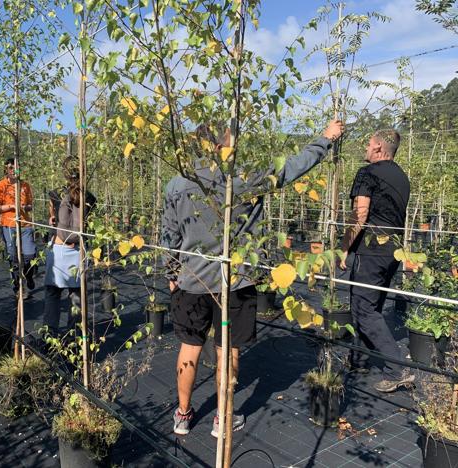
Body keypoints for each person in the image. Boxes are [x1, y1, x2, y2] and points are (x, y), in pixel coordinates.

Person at [162, 120, 344, 437]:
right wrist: (324, 140)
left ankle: (182, 415)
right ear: (222, 144)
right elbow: (291, 169)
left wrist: (171, 272)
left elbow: (169, 235)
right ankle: (222, 419)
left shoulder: (177, 184)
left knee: (189, 346)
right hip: (235, 280)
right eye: (232, 141)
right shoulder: (244, 178)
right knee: (227, 349)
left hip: (192, 280)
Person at [339, 129, 413, 393]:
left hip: (370, 250)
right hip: (392, 251)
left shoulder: (367, 173)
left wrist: (344, 247)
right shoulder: (402, 177)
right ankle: (359, 358)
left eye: (369, 144)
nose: (366, 148)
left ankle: (397, 369)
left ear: (380, 148)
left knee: (363, 309)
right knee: (370, 305)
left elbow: (360, 215)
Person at [43, 158, 96, 336]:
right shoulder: (90, 198)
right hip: (77, 251)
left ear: (64, 174)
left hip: (58, 250)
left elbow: (53, 221)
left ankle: (50, 336)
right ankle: (73, 338)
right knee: (76, 296)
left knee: (52, 294)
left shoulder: (55, 194)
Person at [0, 158, 36, 298]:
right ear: (6, 169)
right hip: (8, 226)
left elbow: (30, 205)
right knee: (13, 258)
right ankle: (18, 287)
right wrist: (12, 206)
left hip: (25, 225)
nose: (13, 170)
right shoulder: (1, 186)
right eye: (10, 168)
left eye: (16, 168)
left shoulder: (25, 186)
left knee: (30, 255)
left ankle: (29, 276)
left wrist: (24, 207)